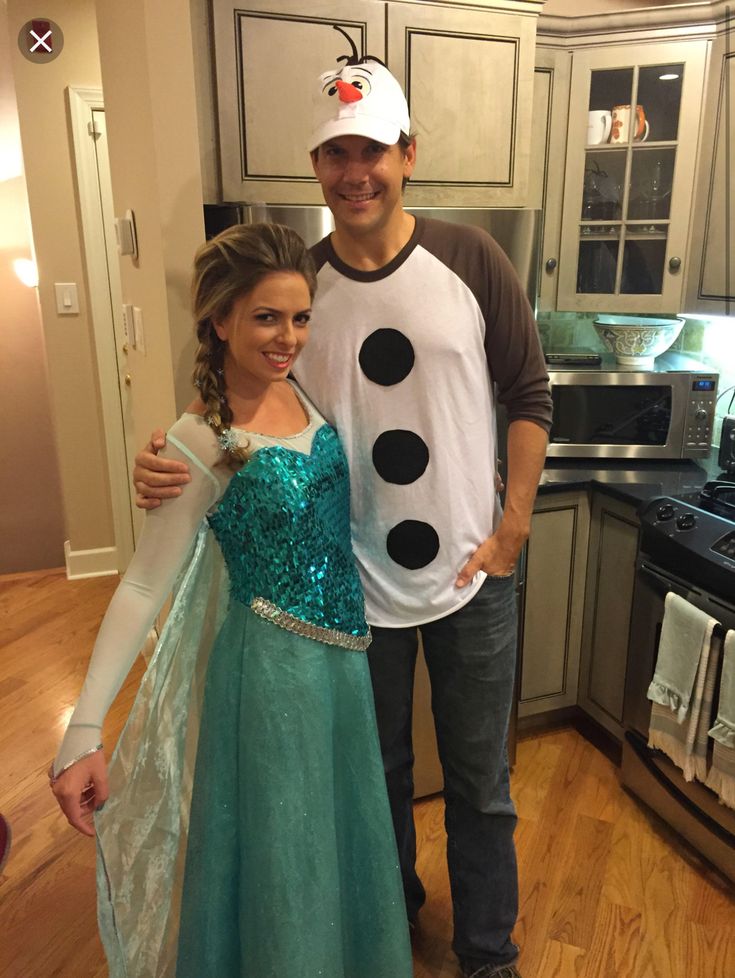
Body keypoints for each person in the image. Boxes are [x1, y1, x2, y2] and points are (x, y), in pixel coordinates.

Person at [133, 43, 552, 978]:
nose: (354, 173)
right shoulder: (299, 291)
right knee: (379, 780)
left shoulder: (470, 258)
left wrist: (513, 522)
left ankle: (489, 954)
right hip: (350, 587)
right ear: (316, 168)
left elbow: (529, 393)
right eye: (334, 154)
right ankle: (383, 923)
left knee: (482, 786)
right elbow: (232, 412)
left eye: (371, 150)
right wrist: (165, 456)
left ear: (406, 153)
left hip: (473, 571)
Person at [50, 222, 413, 978]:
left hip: (340, 671)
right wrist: (82, 731)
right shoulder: (198, 437)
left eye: (300, 317)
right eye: (266, 318)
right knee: (285, 855)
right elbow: (144, 584)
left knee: (333, 843)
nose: (288, 337)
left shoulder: (302, 392)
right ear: (219, 320)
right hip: (267, 681)